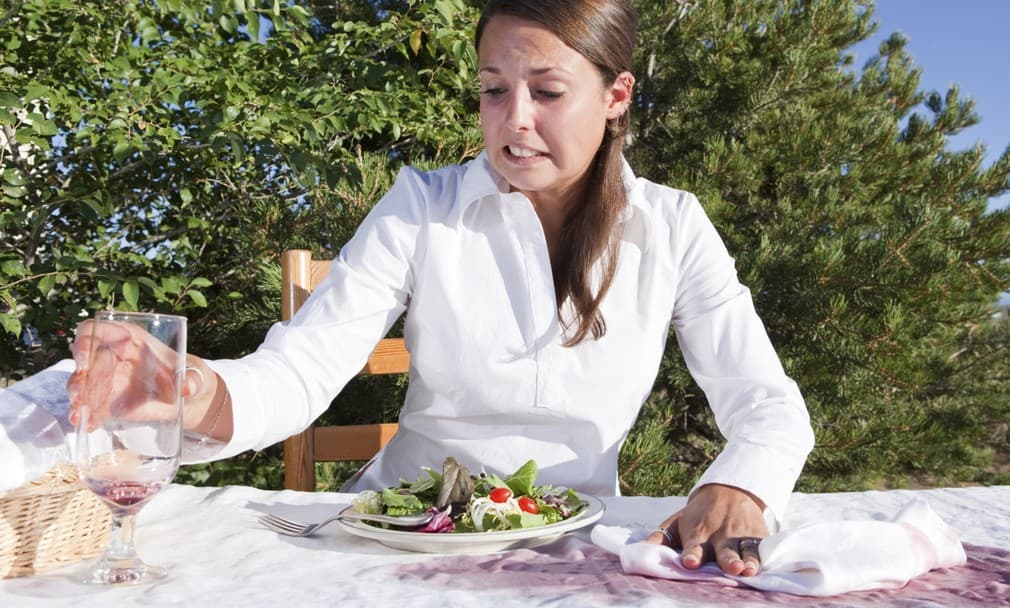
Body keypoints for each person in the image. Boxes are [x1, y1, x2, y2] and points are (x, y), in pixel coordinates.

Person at [68, 0, 813, 578]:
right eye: (495, 90)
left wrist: (741, 486)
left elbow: (769, 408)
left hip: (571, 546)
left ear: (617, 95)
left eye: (547, 91)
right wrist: (192, 390)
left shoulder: (674, 227)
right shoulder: (421, 207)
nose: (514, 121)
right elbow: (300, 369)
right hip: (395, 542)